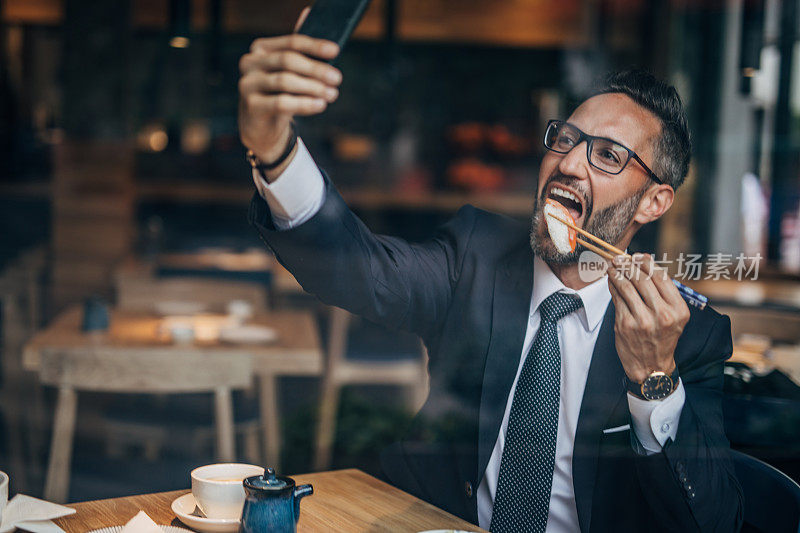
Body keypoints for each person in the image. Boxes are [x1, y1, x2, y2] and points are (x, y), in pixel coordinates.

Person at [237, 9, 743, 532]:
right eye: (566, 139)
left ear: (653, 202)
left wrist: (654, 379)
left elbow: (711, 522)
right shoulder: (478, 254)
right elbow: (360, 270)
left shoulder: (690, 336)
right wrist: (276, 151)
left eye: (608, 156)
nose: (569, 164)